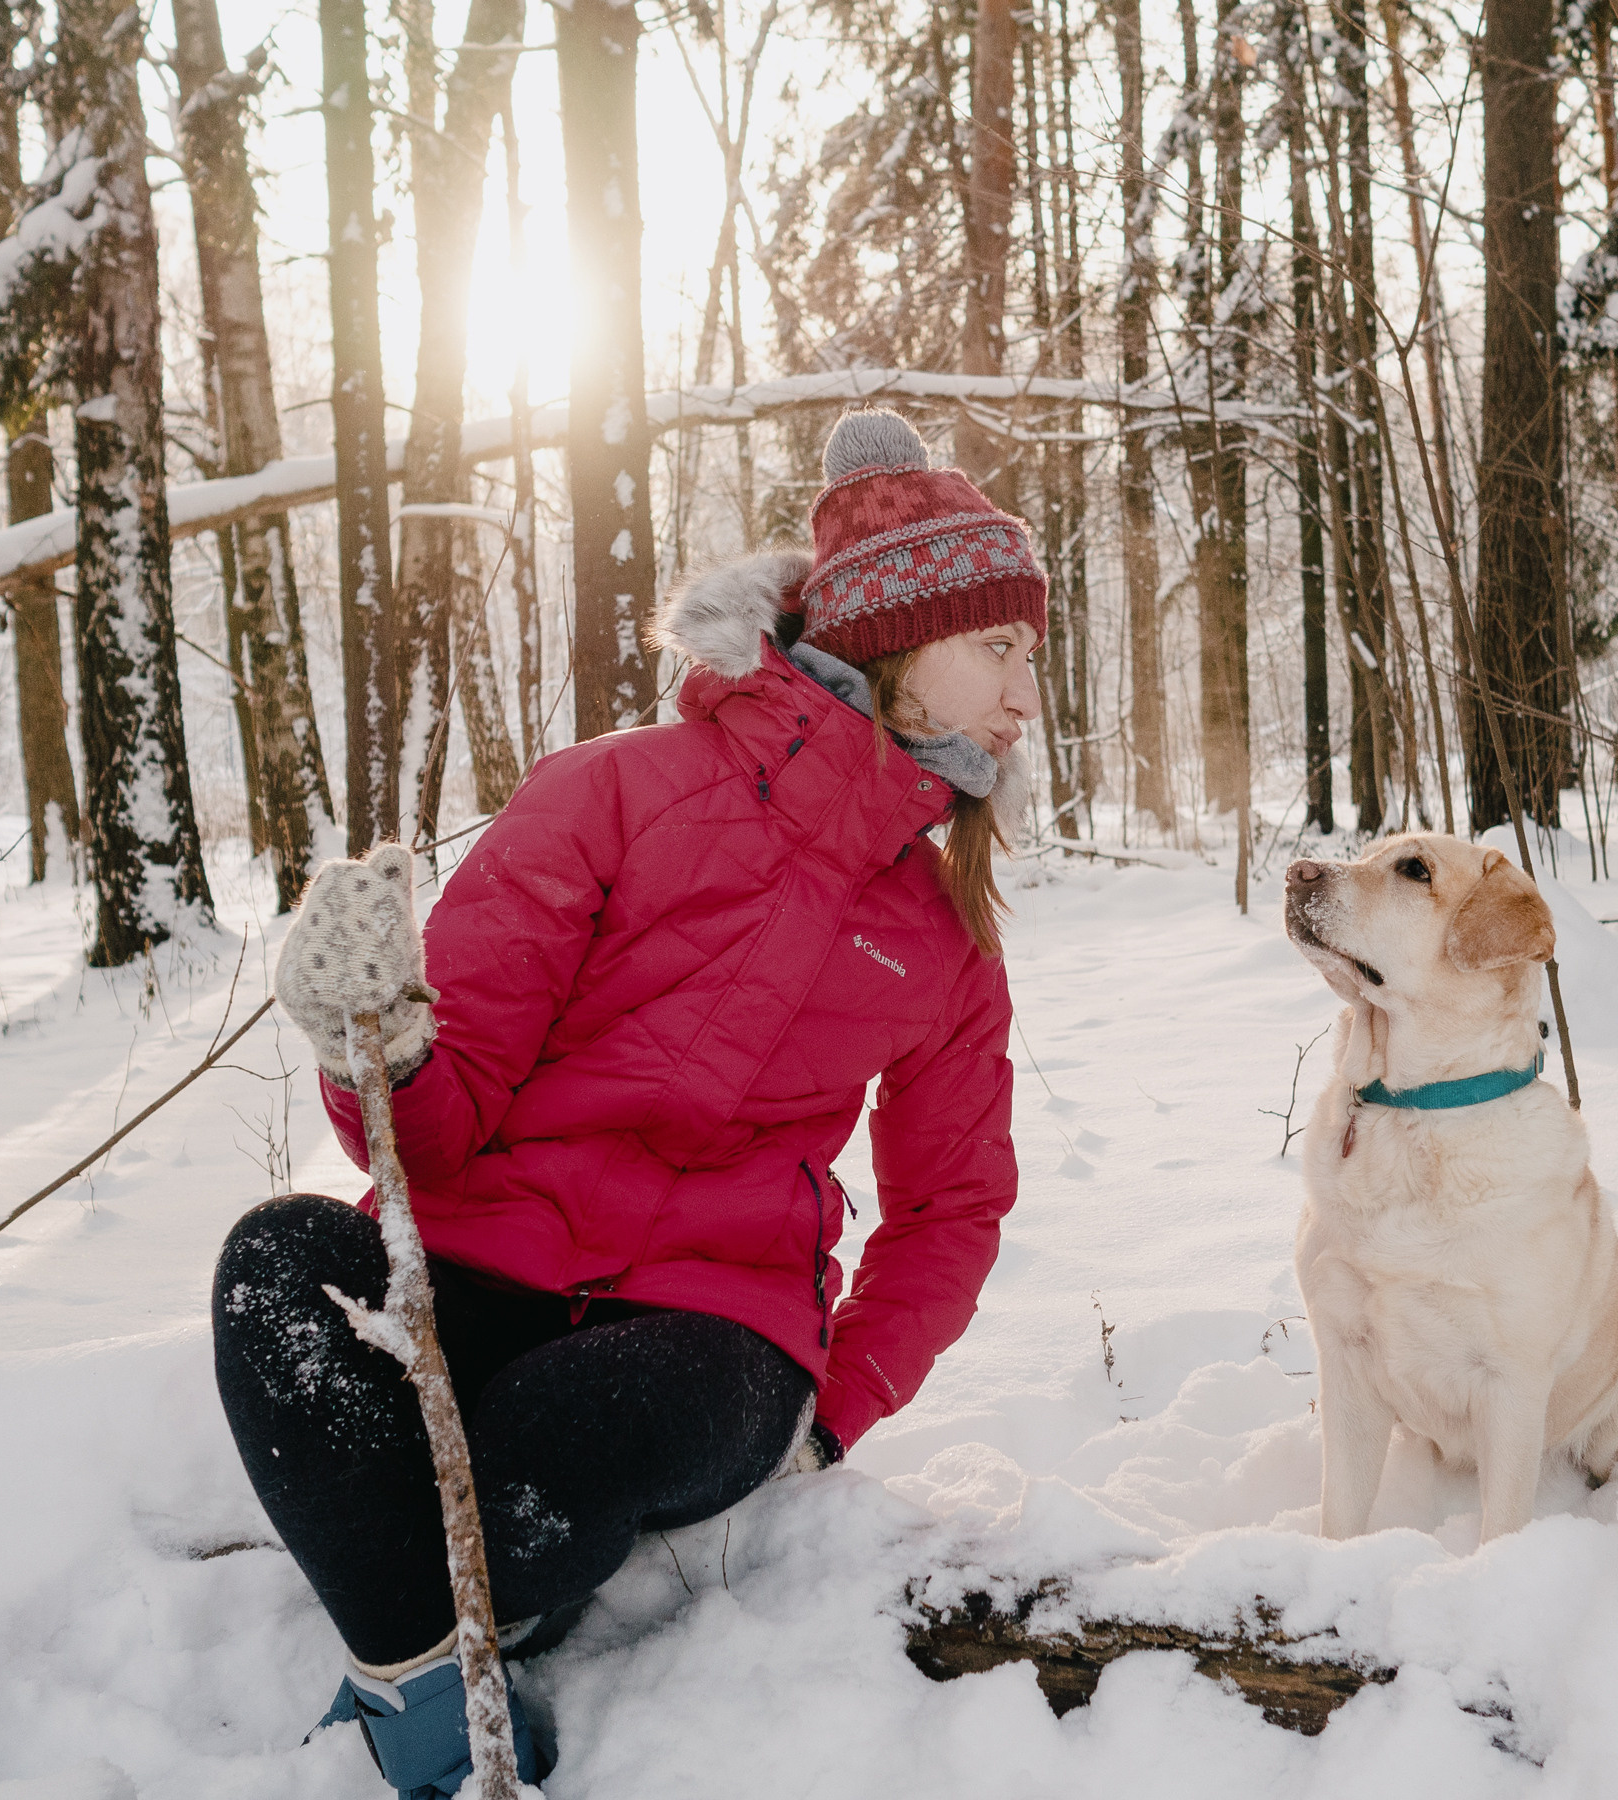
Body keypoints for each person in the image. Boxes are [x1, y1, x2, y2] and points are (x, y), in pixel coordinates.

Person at [212, 410, 1040, 1798]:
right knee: (276, 1267)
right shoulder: (609, 794)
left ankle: (400, 1634)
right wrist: (384, 1051)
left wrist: (833, 1409)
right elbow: (443, 1124)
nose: (1029, 694)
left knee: (574, 1427)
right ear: (900, 644)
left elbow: (954, 1207)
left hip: (713, 1339)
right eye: (1001, 648)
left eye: (1032, 653)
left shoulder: (946, 925)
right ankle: (430, 1682)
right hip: (484, 1268)